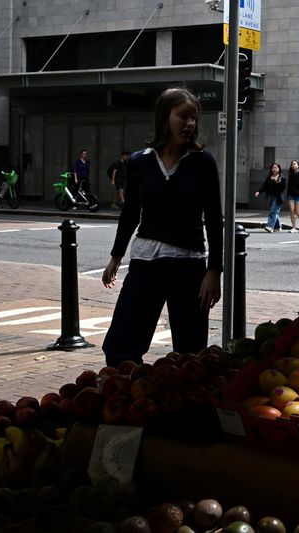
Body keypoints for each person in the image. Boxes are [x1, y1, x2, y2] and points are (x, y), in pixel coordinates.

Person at [100, 87, 223, 366]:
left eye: (194, 118)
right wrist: (116, 257)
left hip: (188, 267)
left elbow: (214, 219)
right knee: (120, 348)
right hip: (145, 264)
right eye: (183, 116)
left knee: (190, 354)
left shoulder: (202, 162)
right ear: (164, 117)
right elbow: (130, 213)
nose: (190, 124)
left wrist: (214, 271)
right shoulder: (139, 162)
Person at [254, 162, 286, 232]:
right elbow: (265, 186)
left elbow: (283, 188)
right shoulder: (269, 177)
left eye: (275, 168)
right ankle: (277, 227)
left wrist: (278, 183)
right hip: (270, 197)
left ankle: (270, 226)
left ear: (278, 169)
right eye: (273, 168)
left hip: (278, 198)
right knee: (275, 212)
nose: (274, 169)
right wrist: (259, 192)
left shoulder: (281, 177)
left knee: (273, 212)